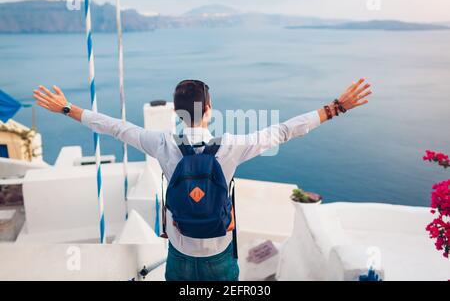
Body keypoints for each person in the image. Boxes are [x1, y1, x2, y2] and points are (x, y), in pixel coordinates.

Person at [33, 78, 372, 281]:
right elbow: (284, 131)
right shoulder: (232, 147)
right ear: (209, 109)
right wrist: (335, 107)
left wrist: (67, 109)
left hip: (179, 254)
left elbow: (115, 127)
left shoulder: (162, 143)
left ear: (176, 114)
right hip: (220, 254)